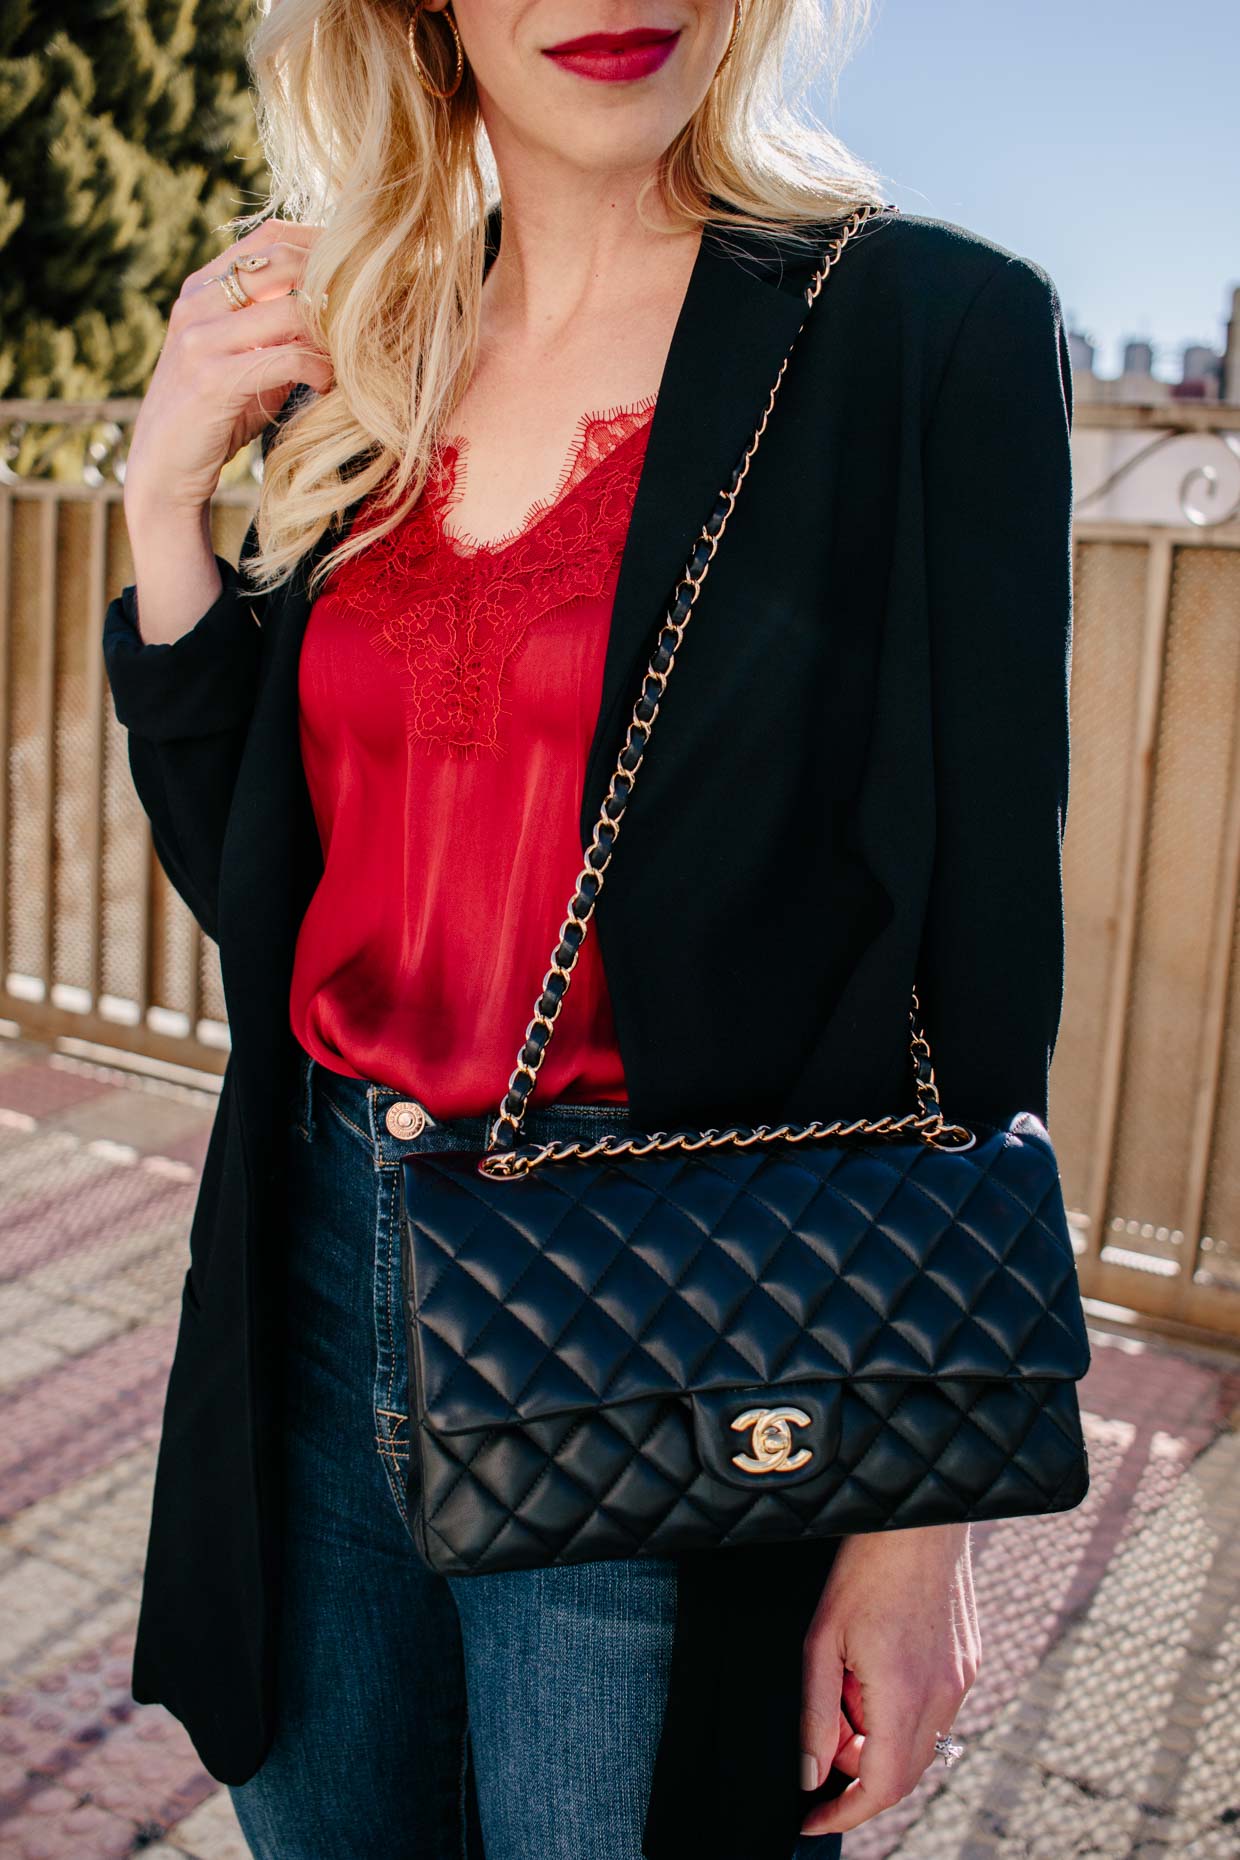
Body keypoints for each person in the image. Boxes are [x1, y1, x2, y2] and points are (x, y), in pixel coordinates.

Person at [101, 2, 1074, 1856]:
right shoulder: (365, 351)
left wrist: (918, 1510)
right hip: (314, 1276)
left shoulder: (919, 334)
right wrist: (166, 504)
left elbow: (983, 956)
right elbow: (253, 890)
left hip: (673, 1311)